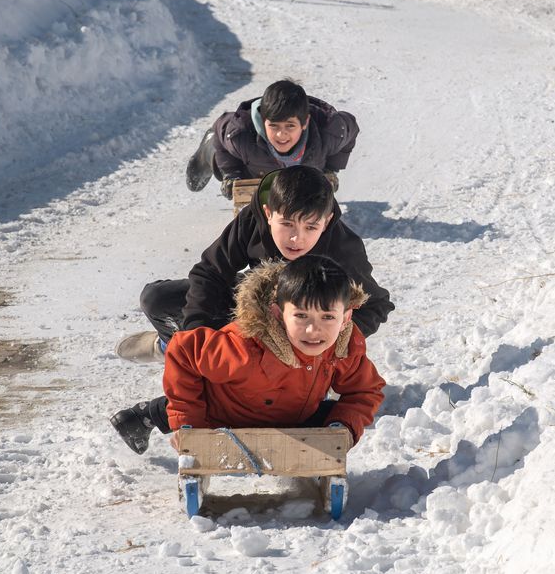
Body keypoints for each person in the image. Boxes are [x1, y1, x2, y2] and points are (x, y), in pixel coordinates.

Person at [115, 165, 394, 362]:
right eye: (286, 224)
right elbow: (211, 272)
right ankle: (170, 347)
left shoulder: (343, 247)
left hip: (304, 327)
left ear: (326, 221)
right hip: (261, 310)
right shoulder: (252, 221)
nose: (297, 238)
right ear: (268, 213)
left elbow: (376, 304)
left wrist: (330, 341)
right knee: (157, 297)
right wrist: (195, 336)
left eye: (311, 227)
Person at [111, 255, 385, 454]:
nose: (314, 330)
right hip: (224, 418)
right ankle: (140, 417)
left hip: (291, 418)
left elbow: (364, 391)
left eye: (328, 317)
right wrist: (190, 426)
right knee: (195, 400)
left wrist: (343, 427)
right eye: (301, 316)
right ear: (279, 313)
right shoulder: (244, 346)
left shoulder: (343, 348)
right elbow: (184, 350)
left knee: (328, 415)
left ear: (346, 317)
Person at [185, 79, 358, 199]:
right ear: (263, 121)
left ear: (304, 123)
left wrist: (331, 168)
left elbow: (352, 128)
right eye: (274, 126)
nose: (281, 135)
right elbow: (220, 126)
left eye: (290, 126)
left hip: (300, 169)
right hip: (252, 166)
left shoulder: (330, 131)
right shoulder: (240, 134)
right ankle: (207, 151)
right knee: (221, 154)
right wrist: (231, 174)